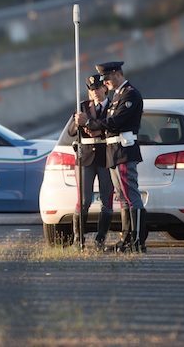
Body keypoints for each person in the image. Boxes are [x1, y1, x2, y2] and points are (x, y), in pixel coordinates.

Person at [77, 61, 147, 253]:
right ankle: (126, 238)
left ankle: (138, 240)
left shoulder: (130, 94)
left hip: (124, 149)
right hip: (114, 150)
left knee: (131, 196)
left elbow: (116, 121)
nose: (105, 83)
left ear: (117, 74)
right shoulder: (118, 95)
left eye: (106, 79)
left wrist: (90, 123)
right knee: (123, 198)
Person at [68, 74, 115, 250]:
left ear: (105, 88)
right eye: (91, 89)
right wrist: (77, 122)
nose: (95, 92)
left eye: (98, 88)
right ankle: (78, 239)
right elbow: (72, 132)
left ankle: (100, 238)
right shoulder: (82, 107)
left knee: (106, 199)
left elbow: (112, 125)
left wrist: (91, 123)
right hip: (85, 158)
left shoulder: (113, 106)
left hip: (105, 157)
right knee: (84, 200)